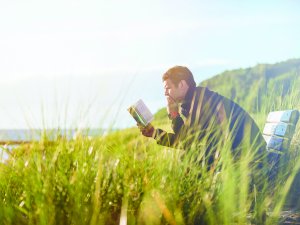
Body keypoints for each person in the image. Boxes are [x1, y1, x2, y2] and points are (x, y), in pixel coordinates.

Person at [138, 66, 266, 166]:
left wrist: (173, 114)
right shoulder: (194, 100)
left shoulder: (201, 101)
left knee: (190, 160)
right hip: (239, 152)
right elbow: (187, 140)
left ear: (182, 85)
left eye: (168, 88)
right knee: (189, 159)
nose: (165, 93)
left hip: (249, 156)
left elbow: (186, 142)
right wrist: (154, 133)